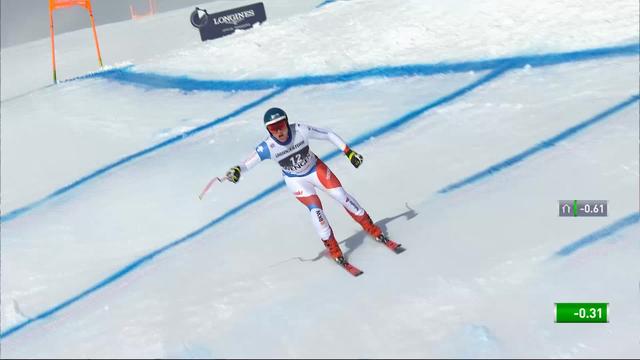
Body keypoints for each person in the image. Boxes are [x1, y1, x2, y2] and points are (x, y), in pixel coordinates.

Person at [225, 107, 387, 265]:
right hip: (296, 180)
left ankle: (371, 228)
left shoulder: (300, 130)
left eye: (281, 126)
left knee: (341, 196)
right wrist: (236, 170)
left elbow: (328, 134)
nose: (279, 132)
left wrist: (348, 152)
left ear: (287, 123)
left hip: (316, 169)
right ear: (268, 131)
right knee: (316, 210)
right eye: (273, 129)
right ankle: (334, 249)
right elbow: (246, 163)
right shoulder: (267, 147)